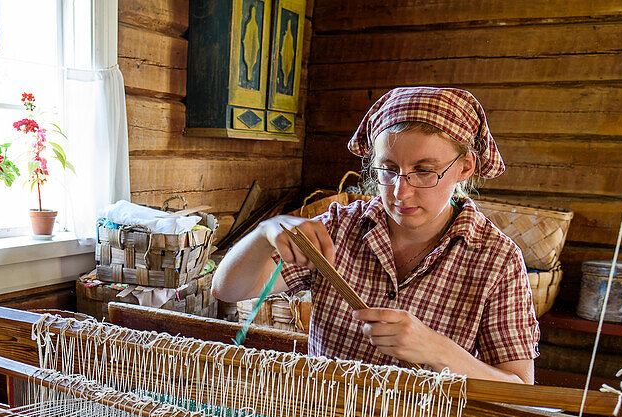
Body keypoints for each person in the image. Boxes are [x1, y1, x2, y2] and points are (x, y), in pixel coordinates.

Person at [212, 86, 539, 384]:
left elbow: (521, 391)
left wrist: (438, 351)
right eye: (388, 169)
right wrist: (264, 232)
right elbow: (227, 289)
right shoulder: (342, 228)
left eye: (424, 171)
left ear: (465, 167)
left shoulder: (496, 259)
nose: (401, 192)